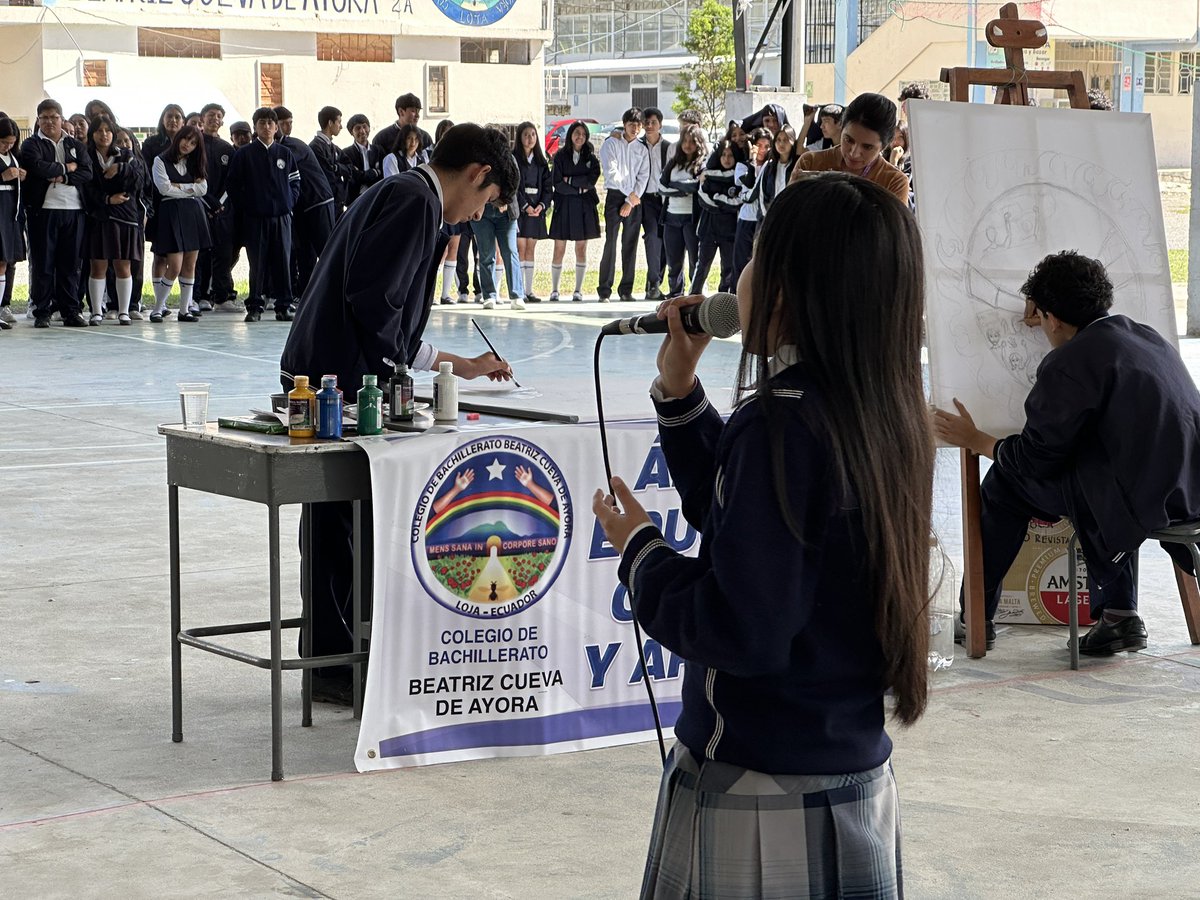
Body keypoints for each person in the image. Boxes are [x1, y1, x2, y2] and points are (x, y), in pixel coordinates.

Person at [592, 172, 932, 898]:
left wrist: (642, 554)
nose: (738, 271)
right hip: (848, 769)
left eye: (753, 254)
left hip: (758, 784)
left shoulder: (779, 421)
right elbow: (753, 528)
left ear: (784, 291)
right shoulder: (882, 412)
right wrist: (681, 397)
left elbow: (741, 625)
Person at [279, 123, 519, 703]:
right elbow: (374, 301)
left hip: (329, 371)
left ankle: (332, 660)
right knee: (347, 526)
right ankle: (340, 664)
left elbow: (384, 310)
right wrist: (401, 378)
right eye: (486, 203)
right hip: (340, 381)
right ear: (477, 174)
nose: (474, 217)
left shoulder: (407, 196)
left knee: (337, 526)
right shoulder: (415, 201)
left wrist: (451, 364)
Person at [933, 250, 1200, 654]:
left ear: (1053, 317)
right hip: (1186, 490)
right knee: (1102, 470)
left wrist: (979, 440)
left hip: (1134, 501)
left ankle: (975, 618)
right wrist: (1047, 311)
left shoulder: (1072, 361)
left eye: (1041, 317)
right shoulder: (1146, 336)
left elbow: (1036, 458)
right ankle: (1119, 614)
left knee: (1004, 483)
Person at [21, 99, 93, 328]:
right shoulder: (31, 144)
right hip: (43, 212)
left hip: (74, 211)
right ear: (38, 120)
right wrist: (67, 167)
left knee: (70, 264)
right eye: (44, 118)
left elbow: (87, 172)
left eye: (54, 117)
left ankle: (70, 310)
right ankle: (42, 311)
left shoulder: (75, 144)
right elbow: (38, 167)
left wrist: (63, 176)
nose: (49, 122)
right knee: (44, 263)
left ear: (62, 119)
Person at [226, 107, 300, 322]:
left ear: (276, 127)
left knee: (283, 262)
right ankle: (255, 306)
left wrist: (288, 203)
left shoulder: (285, 154)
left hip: (282, 218)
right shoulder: (244, 154)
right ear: (255, 127)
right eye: (262, 123)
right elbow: (232, 185)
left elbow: (295, 182)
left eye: (270, 123)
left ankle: (283, 305)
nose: (266, 127)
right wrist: (248, 206)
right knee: (257, 264)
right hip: (255, 219)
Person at [789, 93, 910, 205]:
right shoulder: (811, 163)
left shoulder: (894, 182)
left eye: (867, 147)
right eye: (848, 140)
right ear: (841, 128)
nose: (854, 153)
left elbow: (889, 228)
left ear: (885, 145)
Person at [83, 115, 144, 326]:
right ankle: (97, 311)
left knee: (123, 265)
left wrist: (120, 169)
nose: (104, 134)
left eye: (108, 131)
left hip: (125, 217)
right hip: (99, 217)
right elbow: (86, 188)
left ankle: (124, 311)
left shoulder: (126, 155)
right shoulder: (87, 156)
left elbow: (139, 179)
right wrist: (107, 199)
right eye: (99, 131)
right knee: (98, 265)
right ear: (92, 135)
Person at [274, 106, 336, 306]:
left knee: (326, 251)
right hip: (300, 208)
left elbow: (279, 170)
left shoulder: (292, 146)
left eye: (290, 122)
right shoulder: (278, 147)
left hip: (318, 202)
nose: (287, 127)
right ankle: (305, 295)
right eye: (283, 123)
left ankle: (336, 292)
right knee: (304, 254)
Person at [149, 123, 210, 323]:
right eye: (185, 139)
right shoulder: (160, 160)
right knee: (174, 265)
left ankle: (185, 310)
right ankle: (158, 308)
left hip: (193, 213)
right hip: (171, 213)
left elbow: (203, 189)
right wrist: (190, 188)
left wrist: (181, 186)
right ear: (178, 138)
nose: (187, 145)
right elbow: (164, 188)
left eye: (193, 143)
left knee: (190, 264)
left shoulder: (195, 162)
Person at [597, 107, 649, 303]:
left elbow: (643, 176)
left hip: (634, 199)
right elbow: (611, 173)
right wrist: (628, 197)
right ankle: (604, 290)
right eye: (631, 124)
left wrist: (631, 200)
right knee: (610, 242)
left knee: (630, 244)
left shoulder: (641, 149)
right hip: (615, 196)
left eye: (638, 125)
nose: (634, 128)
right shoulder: (611, 143)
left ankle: (626, 290)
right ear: (624, 123)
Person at [548, 121, 600, 303]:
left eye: (583, 134)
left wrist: (570, 180)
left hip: (585, 207)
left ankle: (578, 290)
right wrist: (578, 187)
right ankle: (554, 290)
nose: (580, 137)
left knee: (581, 248)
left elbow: (591, 181)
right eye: (577, 133)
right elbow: (558, 183)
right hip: (564, 206)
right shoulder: (560, 156)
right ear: (570, 135)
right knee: (559, 249)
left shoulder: (591, 158)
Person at [195, 102, 237, 312]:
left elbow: (233, 181)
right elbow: (191, 176)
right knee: (200, 253)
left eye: (219, 116)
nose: (215, 119)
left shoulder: (227, 149)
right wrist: (207, 201)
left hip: (222, 210)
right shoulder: (194, 144)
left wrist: (219, 203)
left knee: (223, 252)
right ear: (202, 119)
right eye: (211, 114)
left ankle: (222, 298)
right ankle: (199, 296)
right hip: (199, 205)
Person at [690, 139, 742, 295]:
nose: (727, 159)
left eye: (730, 155)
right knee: (702, 266)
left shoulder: (739, 178)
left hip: (730, 231)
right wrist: (722, 204)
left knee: (728, 268)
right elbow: (703, 199)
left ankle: (724, 299)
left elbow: (737, 203)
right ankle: (694, 297)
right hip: (708, 229)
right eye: (723, 155)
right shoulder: (708, 175)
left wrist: (718, 199)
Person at [659, 124, 705, 300]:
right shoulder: (673, 163)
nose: (687, 145)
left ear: (698, 143)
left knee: (695, 259)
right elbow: (661, 186)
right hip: (671, 218)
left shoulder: (702, 163)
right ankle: (675, 294)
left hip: (692, 219)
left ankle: (695, 294)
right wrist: (680, 188)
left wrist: (677, 186)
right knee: (674, 261)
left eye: (692, 141)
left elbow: (696, 186)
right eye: (684, 141)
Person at [113, 126, 149, 319]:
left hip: (136, 218)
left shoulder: (140, 164)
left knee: (136, 263)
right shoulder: (109, 163)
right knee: (115, 263)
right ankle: (114, 305)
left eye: (127, 140)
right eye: (119, 141)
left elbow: (147, 190)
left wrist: (147, 212)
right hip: (115, 218)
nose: (124, 145)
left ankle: (134, 304)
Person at [513, 121, 550, 304]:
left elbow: (548, 188)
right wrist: (525, 206)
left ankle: (529, 290)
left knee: (531, 249)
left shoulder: (541, 162)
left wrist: (541, 206)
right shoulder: (514, 159)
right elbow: (514, 187)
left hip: (537, 209)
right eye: (526, 135)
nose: (530, 138)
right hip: (521, 210)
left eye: (533, 135)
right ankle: (518, 291)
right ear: (520, 138)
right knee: (521, 248)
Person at [473, 182, 524, 311]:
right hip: (481, 210)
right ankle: (489, 296)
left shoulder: (509, 160)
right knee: (486, 254)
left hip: (506, 212)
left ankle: (516, 295)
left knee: (510, 251)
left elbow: (514, 179)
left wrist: (504, 198)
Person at [638, 107, 671, 302]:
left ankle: (657, 282)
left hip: (665, 199)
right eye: (646, 123)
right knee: (652, 238)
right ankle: (653, 282)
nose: (649, 126)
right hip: (645, 199)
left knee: (666, 241)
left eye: (653, 123)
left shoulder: (668, 147)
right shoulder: (637, 145)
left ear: (660, 124)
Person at [732, 127, 772, 281]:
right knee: (740, 263)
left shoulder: (771, 167)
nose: (762, 150)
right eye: (759, 146)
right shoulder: (742, 166)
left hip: (762, 219)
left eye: (767, 146)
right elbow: (748, 183)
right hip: (746, 219)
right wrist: (752, 161)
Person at [0, 117, 25, 330]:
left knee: (5, 261)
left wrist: (19, 176)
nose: (7, 146)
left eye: (11, 142)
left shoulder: (13, 157)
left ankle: (2, 306)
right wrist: (3, 176)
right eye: (3, 142)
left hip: (11, 211)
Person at [311, 105, 351, 217]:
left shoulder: (334, 147)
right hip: (326, 203)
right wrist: (339, 169)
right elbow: (328, 175)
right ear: (330, 123)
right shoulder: (316, 147)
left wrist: (337, 167)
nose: (341, 126)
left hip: (338, 203)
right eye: (339, 122)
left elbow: (350, 167)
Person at [371, 92, 432, 158]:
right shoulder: (382, 138)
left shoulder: (425, 138)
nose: (418, 116)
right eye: (413, 111)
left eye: (418, 111)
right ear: (401, 112)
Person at [341, 113, 382, 208]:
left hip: (376, 196)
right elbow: (353, 176)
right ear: (351, 132)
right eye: (358, 128)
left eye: (365, 127)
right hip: (355, 200)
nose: (362, 131)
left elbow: (382, 174)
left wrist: (361, 174)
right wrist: (374, 172)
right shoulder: (346, 153)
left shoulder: (378, 150)